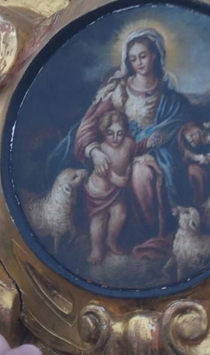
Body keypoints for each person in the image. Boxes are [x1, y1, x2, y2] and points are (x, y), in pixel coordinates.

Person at [48, 28, 193, 261]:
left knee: (141, 172)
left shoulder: (168, 95)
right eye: (133, 59)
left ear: (155, 55)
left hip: (155, 152)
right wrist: (94, 151)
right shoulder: (118, 91)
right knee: (132, 175)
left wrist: (163, 136)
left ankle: (146, 238)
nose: (139, 63)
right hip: (118, 152)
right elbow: (88, 126)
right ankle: (113, 243)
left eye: (143, 56)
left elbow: (178, 123)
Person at [84, 109, 135, 265]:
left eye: (119, 133)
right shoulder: (101, 149)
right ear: (103, 132)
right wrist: (117, 179)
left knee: (120, 216)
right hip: (98, 191)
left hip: (116, 191)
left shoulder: (129, 143)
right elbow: (103, 172)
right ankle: (96, 250)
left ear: (125, 131)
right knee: (98, 220)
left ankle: (111, 241)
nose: (115, 138)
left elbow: (135, 153)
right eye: (110, 133)